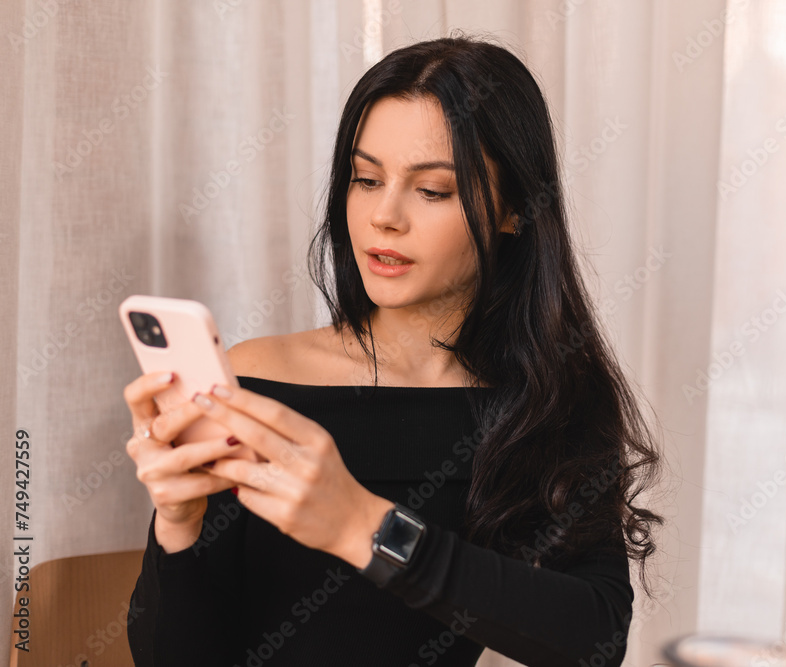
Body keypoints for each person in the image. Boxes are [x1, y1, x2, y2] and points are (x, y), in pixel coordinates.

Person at [124, 32, 664, 667]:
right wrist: (179, 527)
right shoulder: (254, 383)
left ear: (514, 209)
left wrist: (363, 527)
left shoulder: (546, 400)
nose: (384, 216)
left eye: (432, 190)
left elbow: (594, 639)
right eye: (365, 178)